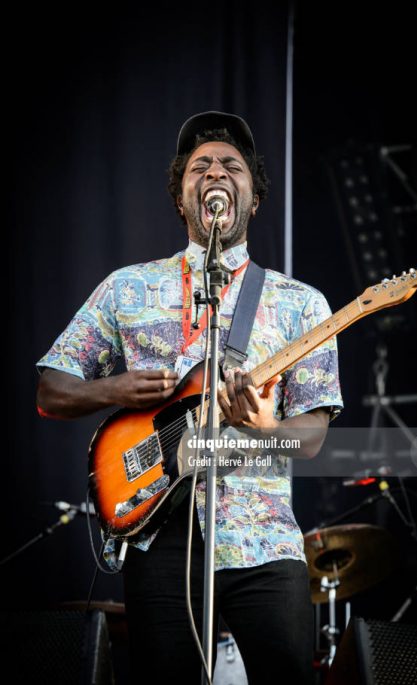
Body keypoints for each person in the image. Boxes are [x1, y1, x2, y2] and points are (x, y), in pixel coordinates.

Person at [36, 111, 343, 683]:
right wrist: (114, 388)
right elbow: (51, 389)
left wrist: (266, 428)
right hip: (159, 536)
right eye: (199, 167)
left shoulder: (302, 304)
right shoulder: (127, 288)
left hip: (263, 539)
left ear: (252, 198)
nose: (215, 172)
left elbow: (314, 436)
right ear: (182, 199)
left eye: (231, 165)